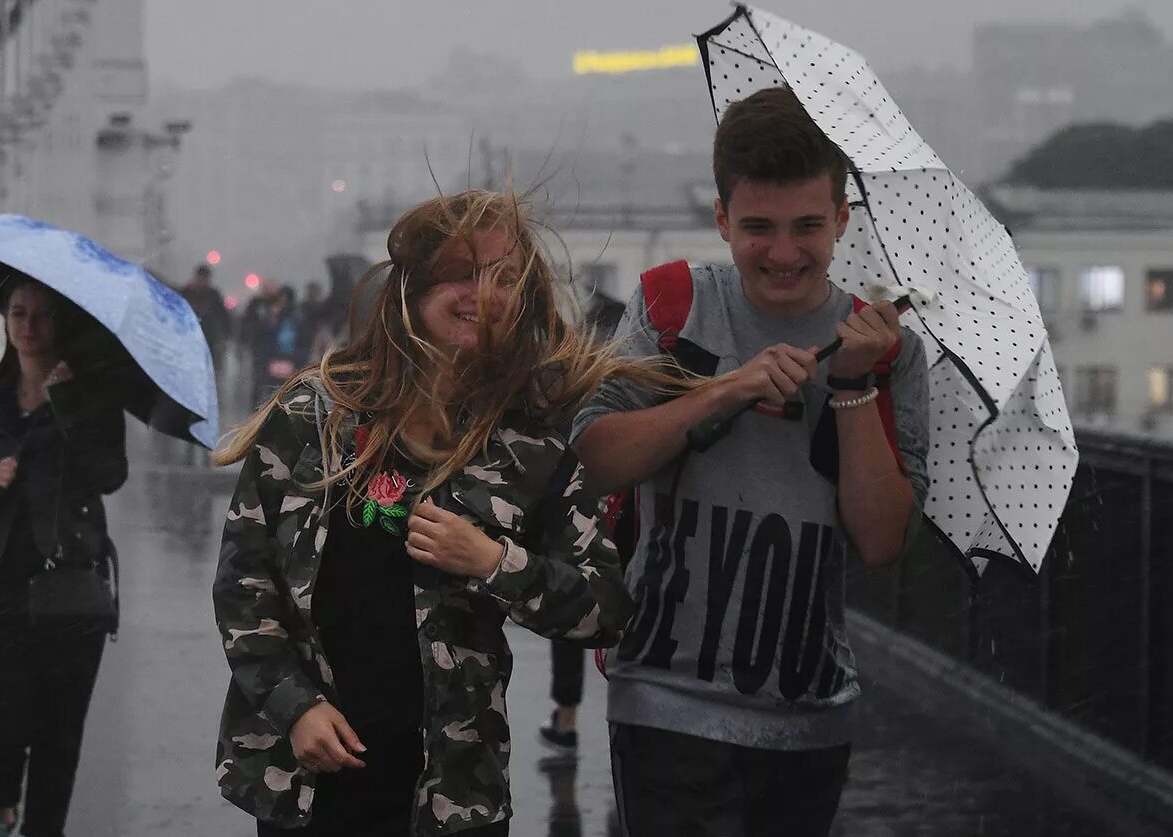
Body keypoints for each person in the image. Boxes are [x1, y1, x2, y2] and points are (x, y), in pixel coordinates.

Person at [211, 189, 687, 836]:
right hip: (310, 785)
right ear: (413, 287)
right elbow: (245, 588)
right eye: (464, 273)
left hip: (455, 796)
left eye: (505, 277)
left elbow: (605, 609)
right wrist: (296, 707)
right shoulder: (314, 418)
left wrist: (494, 561)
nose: (484, 294)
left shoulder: (532, 448)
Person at [572, 86, 930, 836]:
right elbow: (596, 459)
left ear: (841, 220)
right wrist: (721, 390)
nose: (784, 252)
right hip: (667, 699)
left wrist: (855, 386)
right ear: (722, 220)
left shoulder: (884, 347)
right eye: (759, 227)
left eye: (807, 226)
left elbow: (881, 538)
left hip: (810, 714)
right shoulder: (673, 309)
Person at [0, 277, 128, 837]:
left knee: (59, 731)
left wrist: (68, 405)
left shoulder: (90, 397)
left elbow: (110, 475)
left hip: (71, 585)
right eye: (18, 313)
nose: (28, 326)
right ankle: (0, 808)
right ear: (5, 322)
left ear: (59, 325)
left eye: (41, 316)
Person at [537, 263, 629, 763]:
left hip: (574, 504)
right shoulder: (636, 371)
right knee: (623, 612)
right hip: (628, 507)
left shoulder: (568, 369)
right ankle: (628, 722)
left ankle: (567, 719)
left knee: (571, 607)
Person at [181, 264, 233, 379]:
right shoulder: (186, 293)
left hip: (209, 338)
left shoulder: (213, 295)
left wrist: (225, 336)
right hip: (190, 338)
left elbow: (223, 317)